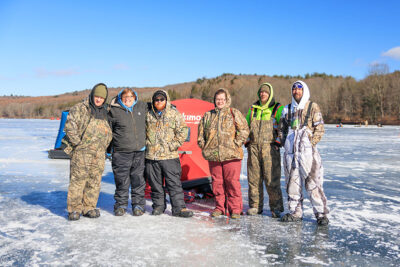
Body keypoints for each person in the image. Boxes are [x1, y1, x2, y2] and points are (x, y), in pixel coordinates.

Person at [279, 80, 329, 225]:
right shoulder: (287, 109)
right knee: (292, 183)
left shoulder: (312, 107)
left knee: (313, 183)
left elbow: (320, 128)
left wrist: (310, 143)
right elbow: (281, 129)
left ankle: (321, 214)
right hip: (290, 153)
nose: (296, 91)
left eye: (299, 89)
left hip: (307, 153)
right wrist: (285, 144)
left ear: (304, 90)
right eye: (294, 89)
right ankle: (295, 212)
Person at [198, 88, 249, 219]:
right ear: (214, 101)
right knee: (217, 183)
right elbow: (200, 135)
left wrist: (236, 143)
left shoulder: (234, 113)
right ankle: (220, 207)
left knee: (232, 182)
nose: (220, 101)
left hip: (232, 155)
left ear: (227, 100)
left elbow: (244, 130)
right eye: (217, 99)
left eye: (222, 99)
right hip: (214, 156)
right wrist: (205, 147)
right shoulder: (208, 115)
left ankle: (235, 209)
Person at [65, 83, 112, 221]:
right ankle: (74, 209)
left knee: (94, 181)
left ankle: (89, 207)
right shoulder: (80, 109)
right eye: (97, 96)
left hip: (99, 153)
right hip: (82, 152)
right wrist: (78, 144)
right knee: (78, 181)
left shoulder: (106, 111)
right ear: (92, 95)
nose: (99, 100)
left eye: (101, 98)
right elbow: (70, 127)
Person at [145, 90, 193, 217]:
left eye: (161, 99)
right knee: (155, 185)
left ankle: (178, 208)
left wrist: (173, 145)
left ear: (166, 100)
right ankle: (159, 206)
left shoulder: (174, 113)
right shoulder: (148, 115)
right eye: (156, 100)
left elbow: (183, 131)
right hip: (152, 156)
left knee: (174, 184)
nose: (159, 102)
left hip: (169, 156)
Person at [245, 83, 284, 218]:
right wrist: (246, 140)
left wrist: (279, 142)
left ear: (270, 94)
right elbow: (246, 126)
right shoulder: (253, 108)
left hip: (270, 148)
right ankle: (255, 206)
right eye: (261, 92)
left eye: (266, 92)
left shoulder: (278, 108)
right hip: (254, 147)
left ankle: (276, 207)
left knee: (271, 179)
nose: (263, 94)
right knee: (254, 179)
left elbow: (284, 126)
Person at [108, 88, 148, 216]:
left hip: (139, 152)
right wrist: (109, 150)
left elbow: (157, 104)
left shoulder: (142, 107)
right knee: (122, 181)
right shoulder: (114, 110)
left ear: (135, 98)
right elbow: (108, 131)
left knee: (138, 180)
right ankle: (121, 205)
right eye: (125, 96)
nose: (128, 99)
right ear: (121, 98)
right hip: (121, 152)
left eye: (131, 96)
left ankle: (138, 205)